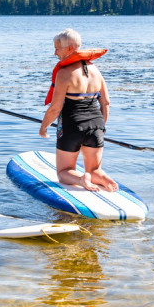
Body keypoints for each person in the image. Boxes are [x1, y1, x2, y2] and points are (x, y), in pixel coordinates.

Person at [39, 29, 118, 192]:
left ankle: (81, 179)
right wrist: (101, 128)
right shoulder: (96, 71)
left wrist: (44, 127)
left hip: (72, 126)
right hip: (96, 124)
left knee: (63, 172)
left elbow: (55, 108)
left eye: (57, 48)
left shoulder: (64, 73)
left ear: (70, 48)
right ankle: (104, 179)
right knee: (95, 169)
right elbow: (106, 102)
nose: (55, 53)